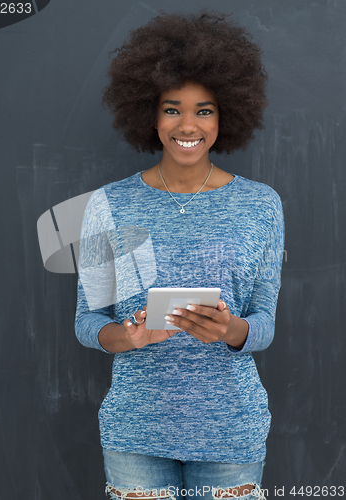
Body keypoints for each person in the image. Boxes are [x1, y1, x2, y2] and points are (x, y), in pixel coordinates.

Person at [75, 11, 284, 500]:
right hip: (135, 437)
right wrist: (128, 338)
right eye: (172, 109)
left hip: (231, 434)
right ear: (149, 112)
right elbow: (87, 320)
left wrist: (233, 331)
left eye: (204, 110)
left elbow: (267, 319)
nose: (188, 125)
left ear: (226, 114)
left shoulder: (262, 204)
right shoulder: (106, 205)